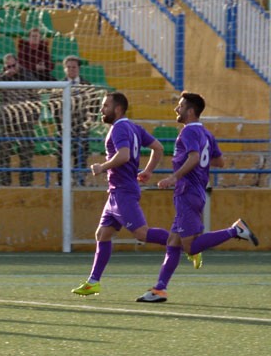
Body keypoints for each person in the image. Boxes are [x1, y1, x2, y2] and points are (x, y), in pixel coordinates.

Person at [136, 92, 259, 303]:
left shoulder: (188, 133)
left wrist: (175, 176)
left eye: (180, 105)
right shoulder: (207, 134)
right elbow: (219, 162)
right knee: (173, 243)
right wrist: (200, 165)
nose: (177, 109)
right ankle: (159, 289)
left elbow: (194, 157)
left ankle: (235, 230)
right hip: (195, 192)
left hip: (187, 193)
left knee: (190, 247)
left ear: (190, 111)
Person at [71, 92, 169, 296]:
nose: (101, 109)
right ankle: (93, 281)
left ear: (117, 109)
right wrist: (148, 170)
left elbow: (123, 155)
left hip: (123, 191)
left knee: (142, 234)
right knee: (102, 234)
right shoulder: (133, 127)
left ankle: (186, 243)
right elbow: (158, 148)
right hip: (117, 192)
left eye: (105, 105)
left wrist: (102, 166)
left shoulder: (119, 128)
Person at [0, 53, 41, 186]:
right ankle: (4, 181)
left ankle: (26, 182)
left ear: (18, 64)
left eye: (13, 66)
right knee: (4, 153)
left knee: (26, 153)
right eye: (8, 66)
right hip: (6, 122)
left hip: (25, 122)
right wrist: (4, 76)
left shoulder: (28, 76)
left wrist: (35, 116)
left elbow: (37, 97)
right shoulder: (2, 77)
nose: (11, 68)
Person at [54, 55, 99, 186]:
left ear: (79, 68)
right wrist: (59, 124)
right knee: (62, 156)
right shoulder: (58, 86)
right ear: (64, 69)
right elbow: (54, 107)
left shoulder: (87, 85)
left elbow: (95, 105)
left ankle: (80, 180)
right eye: (68, 67)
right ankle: (62, 182)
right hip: (63, 128)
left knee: (81, 156)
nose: (71, 69)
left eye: (74, 67)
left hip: (82, 128)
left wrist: (89, 122)